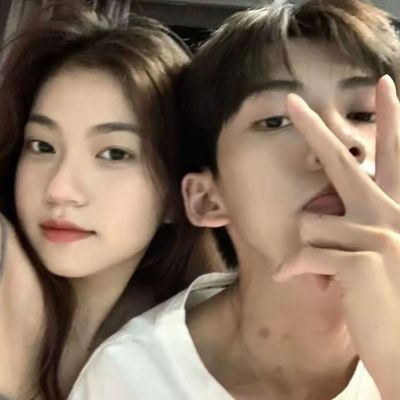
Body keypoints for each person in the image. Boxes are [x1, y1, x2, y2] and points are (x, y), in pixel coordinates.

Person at [68, 0, 400, 399]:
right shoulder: (131, 378)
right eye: (277, 121)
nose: (340, 142)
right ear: (207, 199)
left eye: (364, 115)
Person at [0, 2, 222, 399]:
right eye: (42, 146)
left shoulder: (184, 346)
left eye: (114, 153)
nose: (59, 189)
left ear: (179, 194)